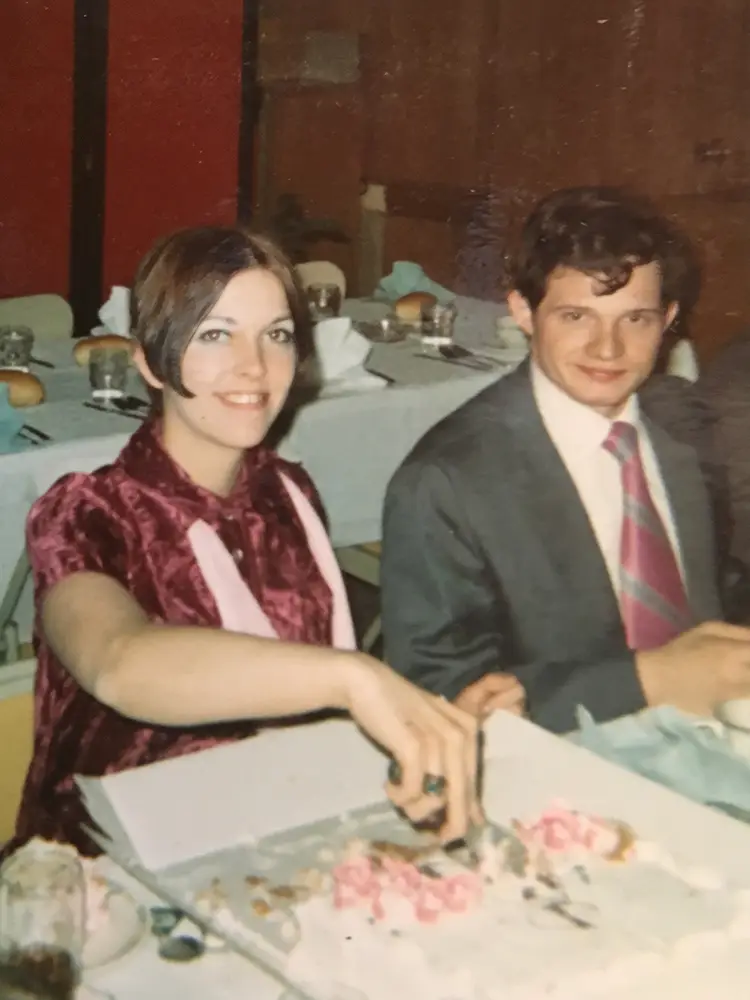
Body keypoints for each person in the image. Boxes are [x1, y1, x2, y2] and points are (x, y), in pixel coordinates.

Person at [6, 227, 478, 858]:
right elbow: (118, 661)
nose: (254, 366)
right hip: (116, 872)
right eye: (215, 334)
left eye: (276, 335)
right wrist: (353, 678)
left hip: (277, 830)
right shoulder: (89, 512)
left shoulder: (288, 491)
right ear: (149, 358)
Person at [381, 186, 750, 734]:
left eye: (637, 320)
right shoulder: (448, 480)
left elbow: (727, 590)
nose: (609, 349)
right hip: (564, 769)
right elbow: (441, 700)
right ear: (524, 312)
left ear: (668, 318)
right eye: (577, 316)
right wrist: (648, 680)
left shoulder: (686, 431)